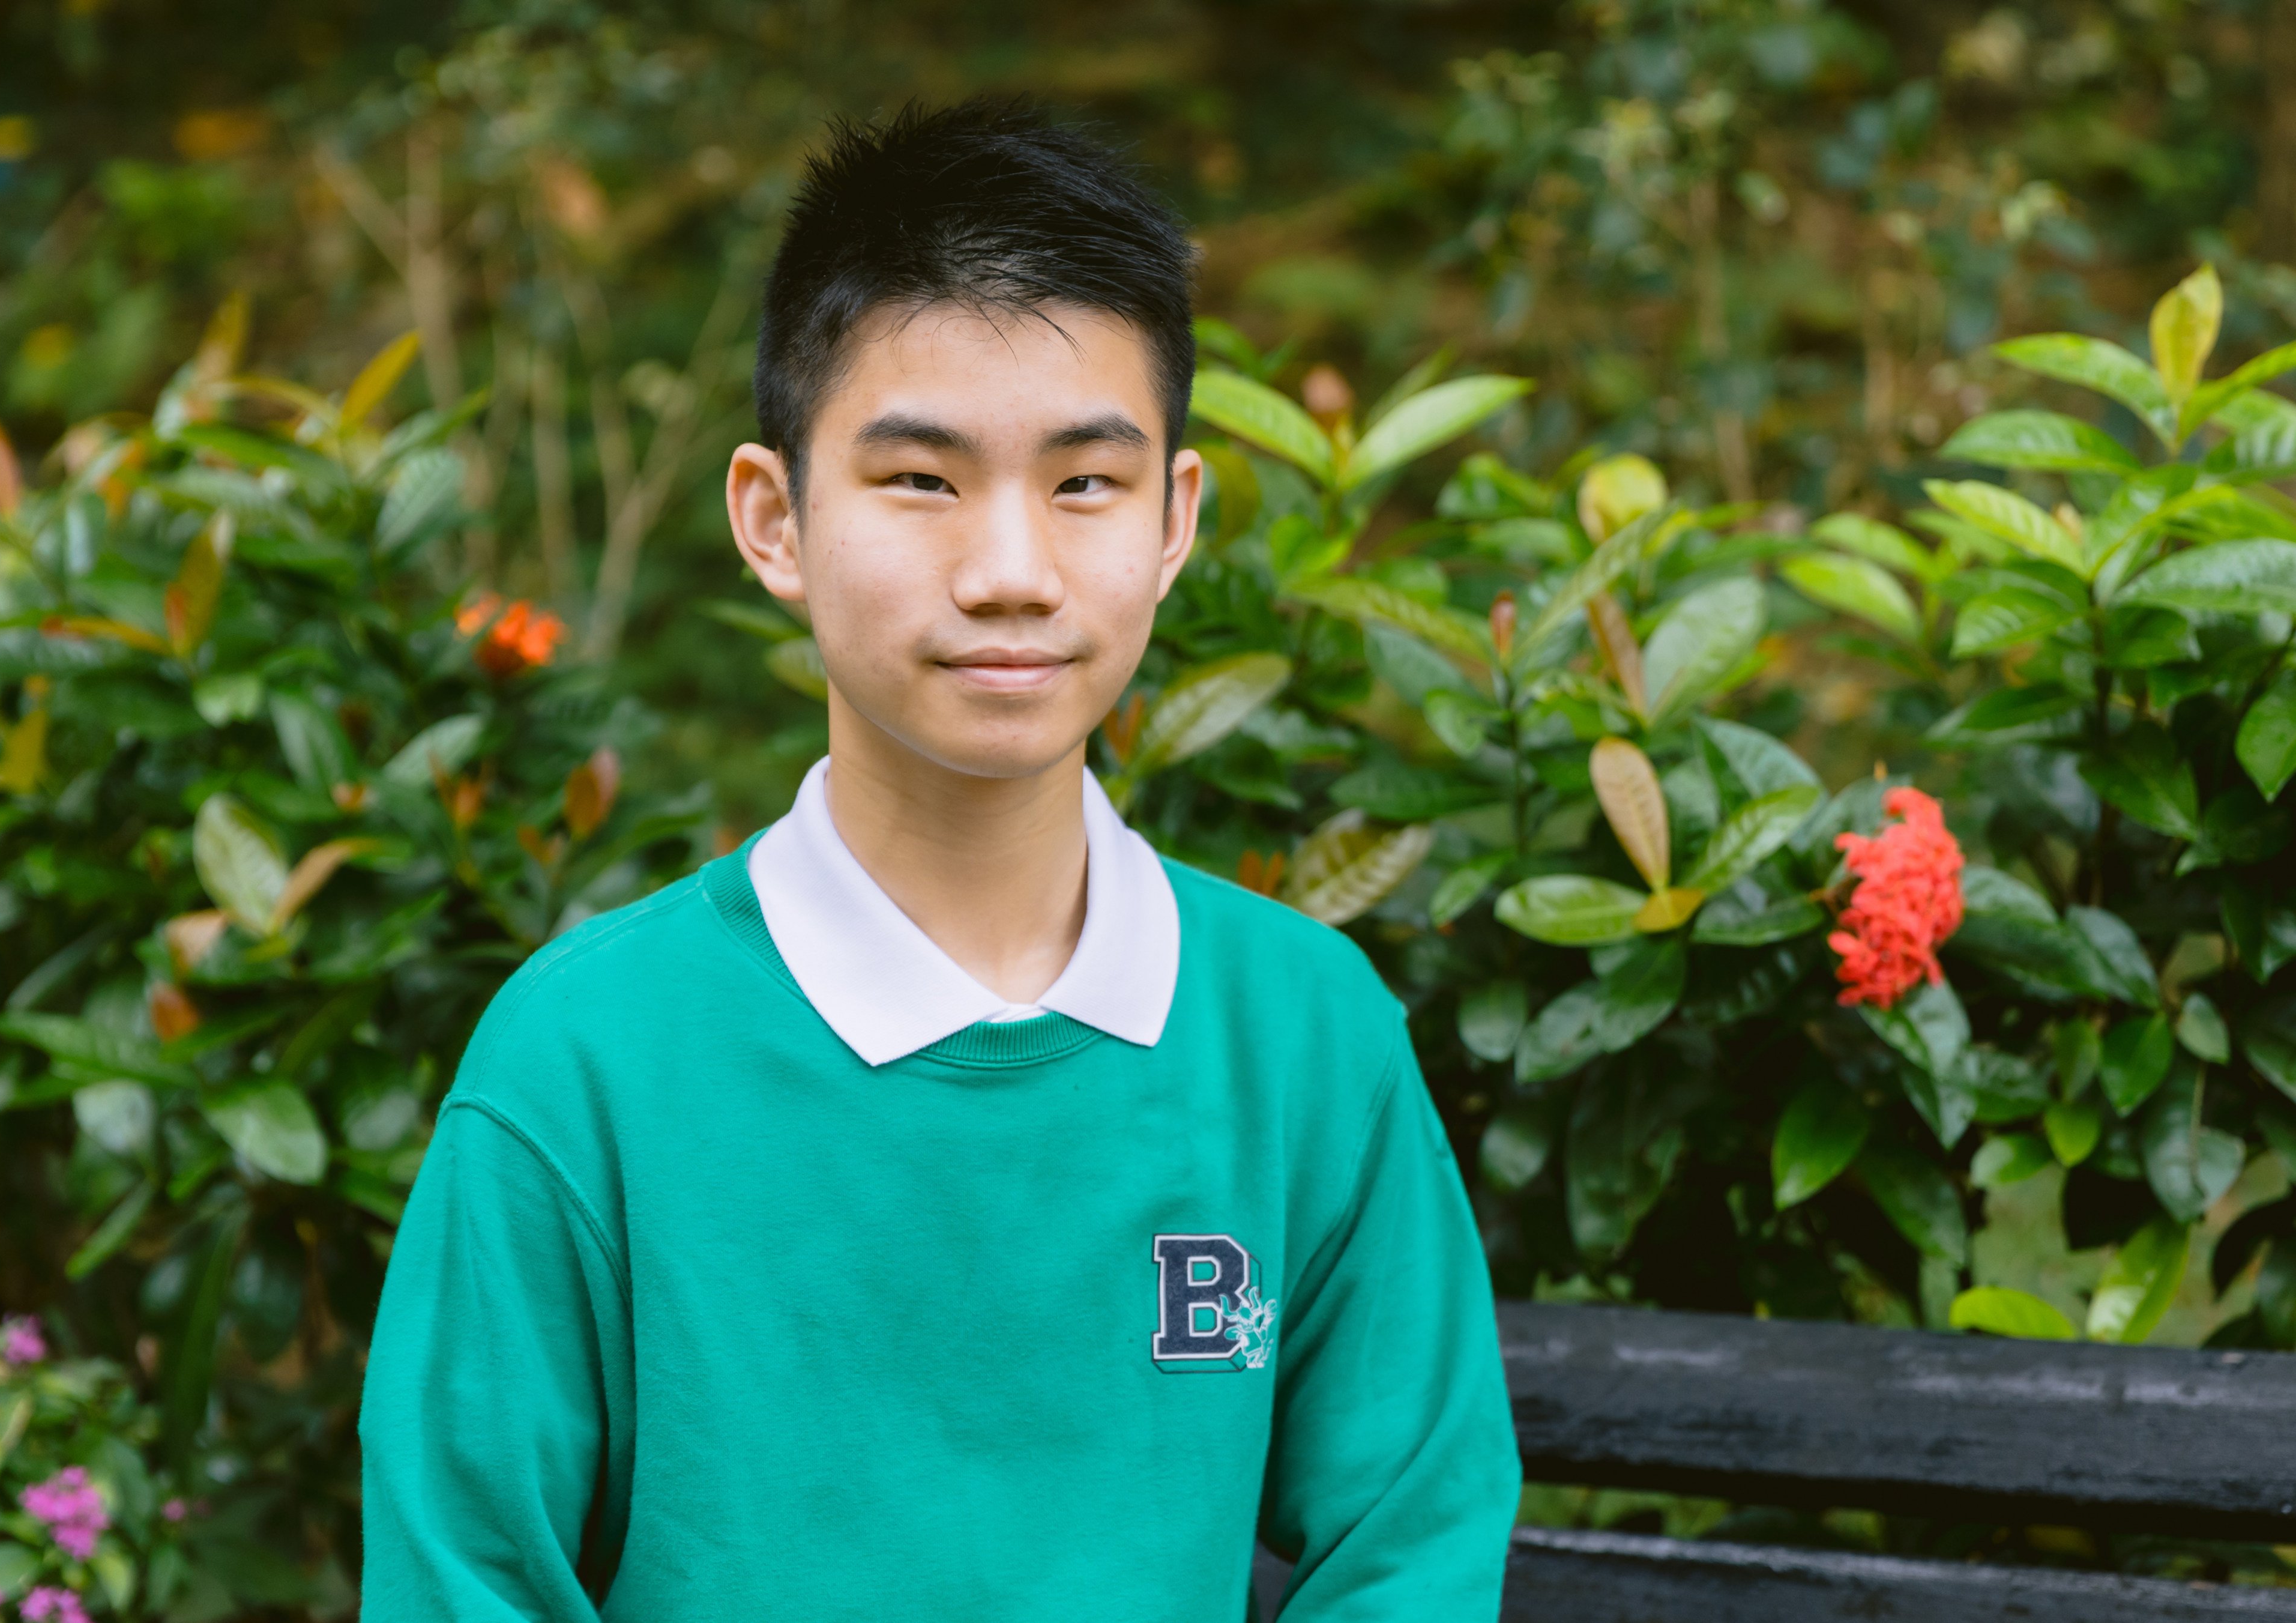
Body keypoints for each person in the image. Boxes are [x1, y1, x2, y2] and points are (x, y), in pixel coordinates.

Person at [357, 100, 1519, 1621]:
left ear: (1174, 521)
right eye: (920, 478)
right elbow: (462, 1579)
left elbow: (1413, 1539)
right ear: (774, 518)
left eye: (1083, 482)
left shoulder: (1304, 1032)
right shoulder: (583, 1060)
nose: (1010, 570)